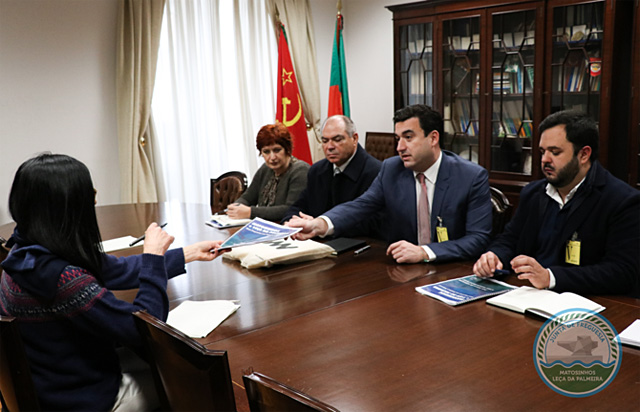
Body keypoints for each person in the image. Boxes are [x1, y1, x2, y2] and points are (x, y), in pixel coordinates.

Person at [0, 154, 227, 411]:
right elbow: (144, 327)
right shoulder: (63, 280)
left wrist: (187, 254)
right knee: (195, 387)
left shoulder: (25, 253)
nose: (94, 203)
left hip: (54, 379)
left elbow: (116, 268)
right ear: (68, 209)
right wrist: (152, 256)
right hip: (81, 399)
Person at [287, 104, 492, 263]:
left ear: (433, 138)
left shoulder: (470, 177)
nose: (400, 147)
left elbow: (477, 239)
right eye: (398, 138)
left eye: (408, 137)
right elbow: (360, 206)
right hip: (401, 269)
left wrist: (424, 252)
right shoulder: (391, 169)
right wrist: (319, 224)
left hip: (451, 268)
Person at [474, 110, 640, 296]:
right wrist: (494, 256)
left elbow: (622, 272)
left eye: (555, 152)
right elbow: (510, 239)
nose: (544, 159)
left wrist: (550, 277)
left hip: (587, 304)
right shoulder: (534, 193)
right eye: (542, 151)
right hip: (526, 295)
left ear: (584, 154)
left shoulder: (622, 200)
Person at [282, 115, 383, 237]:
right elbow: (299, 206)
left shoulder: (377, 172)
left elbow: (375, 223)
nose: (329, 147)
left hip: (359, 247)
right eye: (325, 141)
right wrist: (292, 223)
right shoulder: (317, 170)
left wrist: (321, 225)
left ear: (354, 139)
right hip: (317, 242)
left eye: (337, 139)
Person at [227, 122, 310, 222]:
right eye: (266, 152)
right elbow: (247, 198)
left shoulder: (300, 170)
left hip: (288, 229)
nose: (272, 157)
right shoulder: (266, 169)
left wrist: (250, 212)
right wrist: (236, 207)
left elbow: (290, 209)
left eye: (277, 150)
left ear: (287, 149)